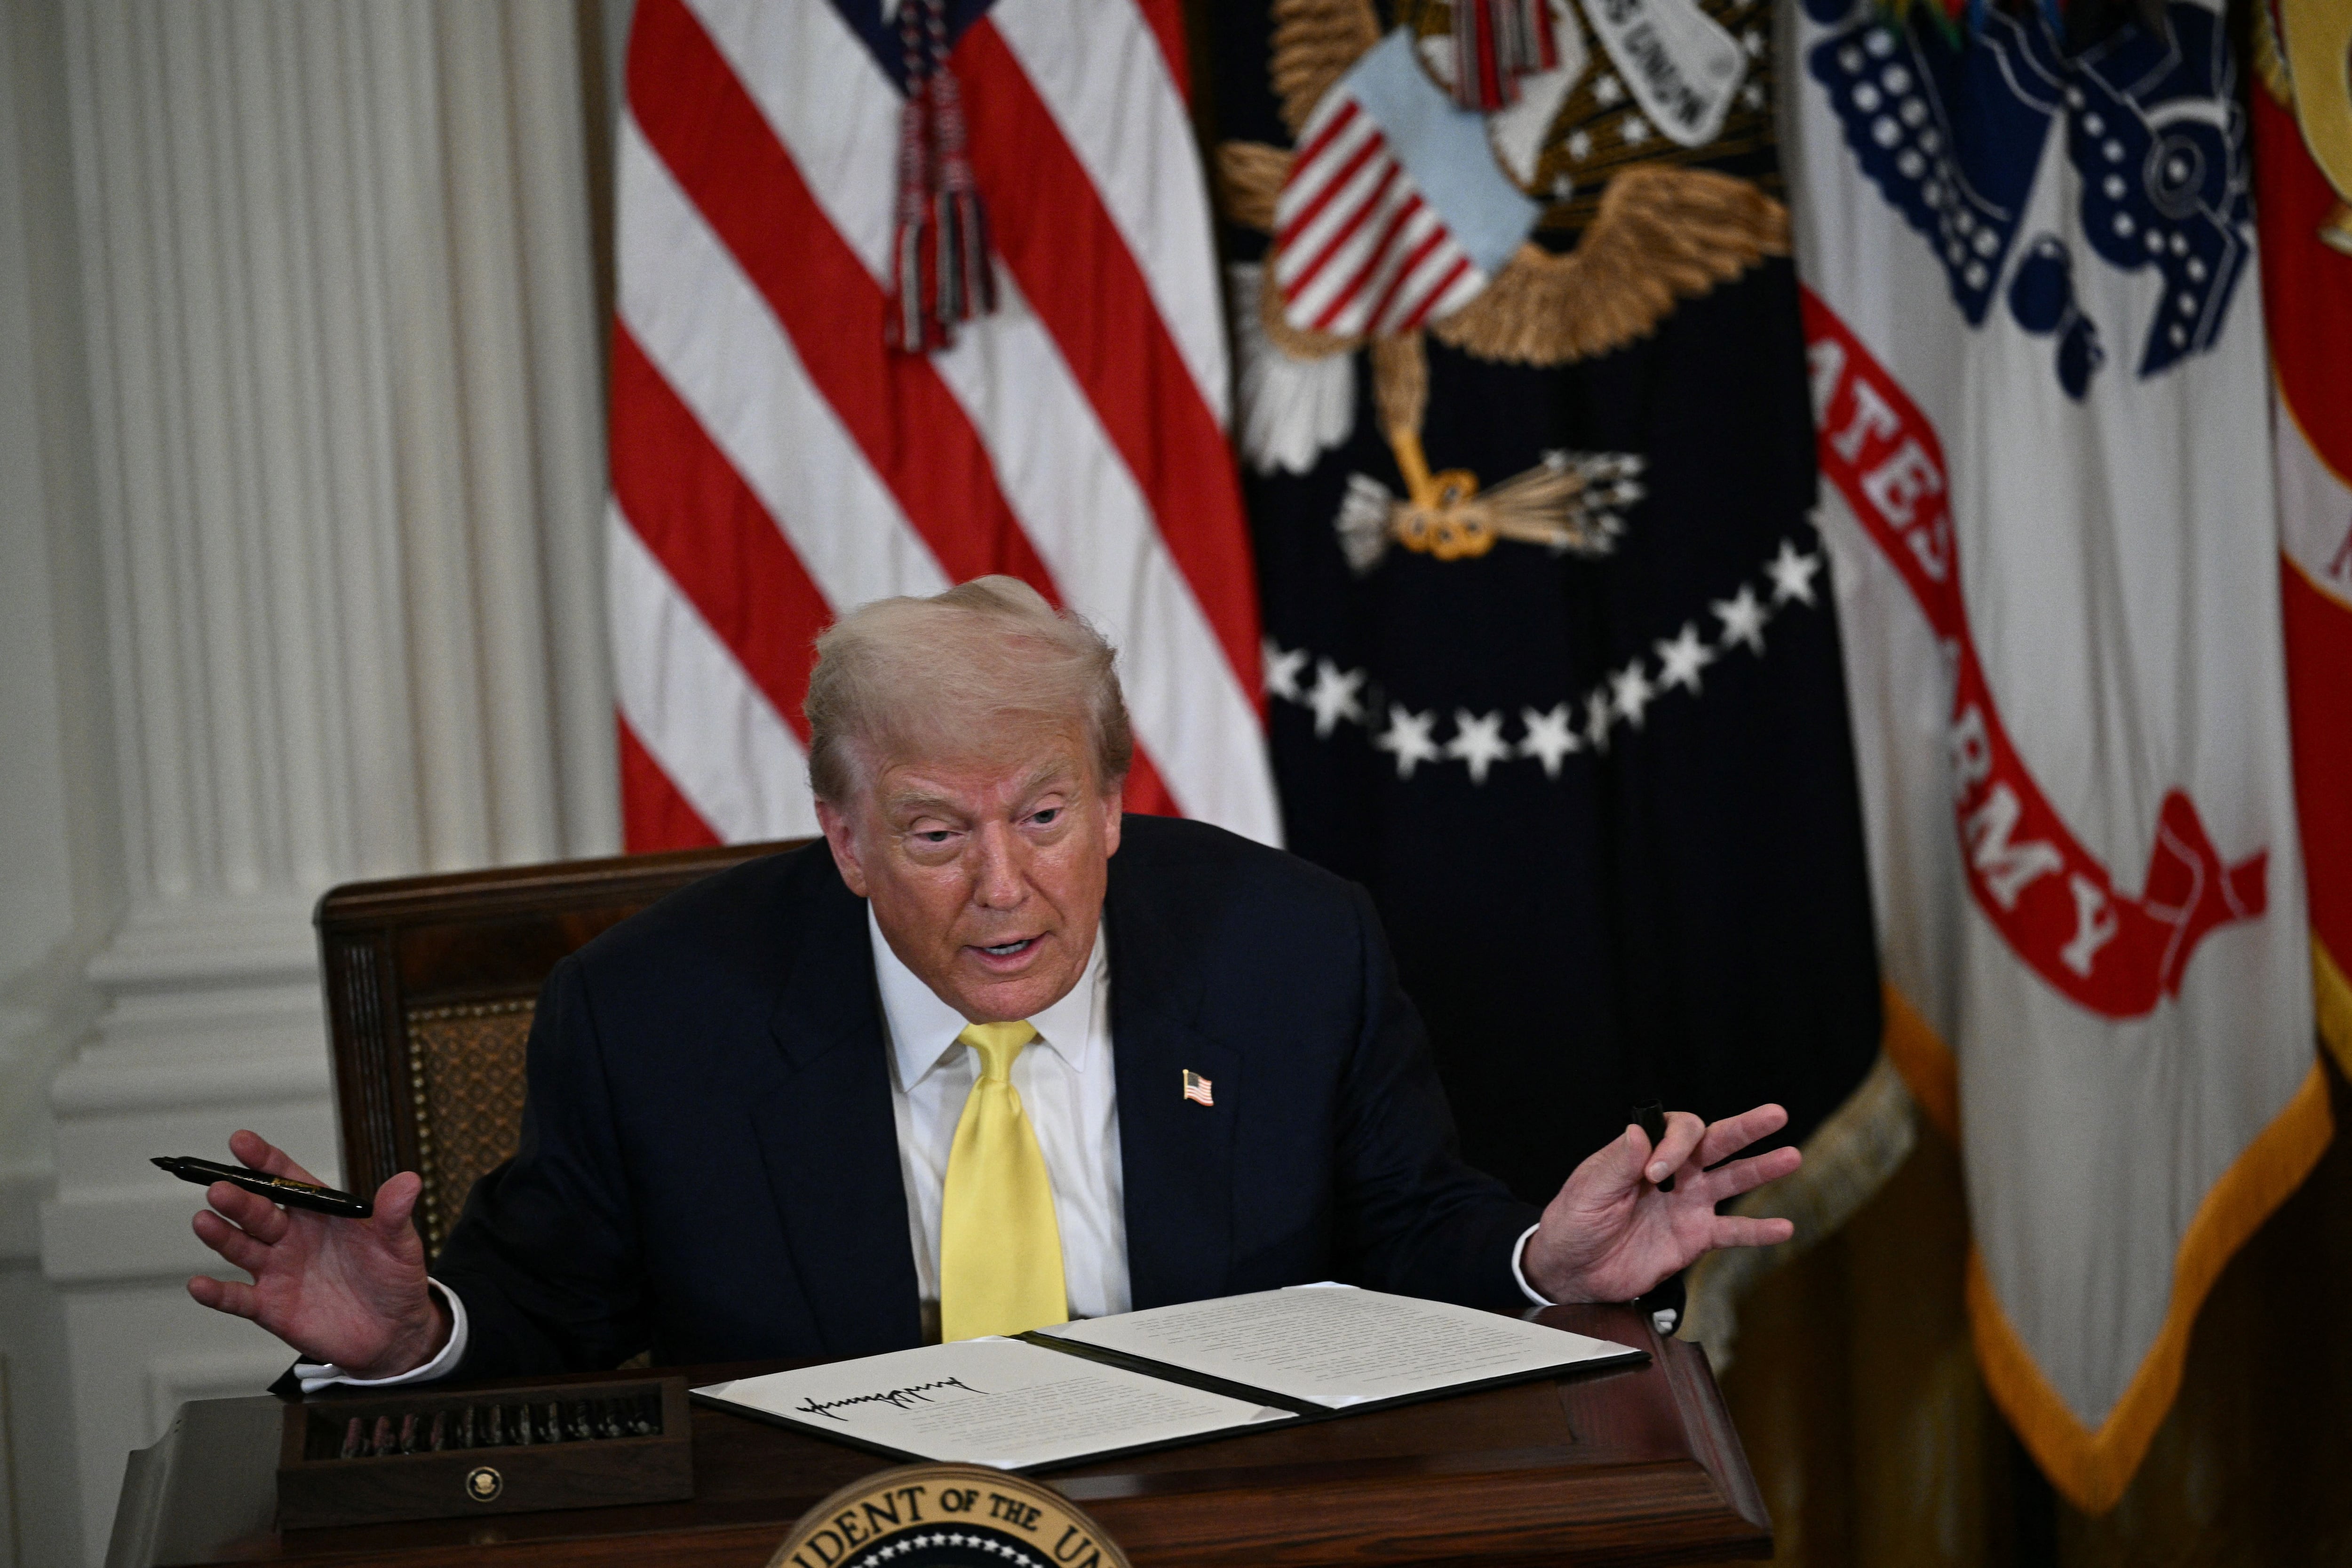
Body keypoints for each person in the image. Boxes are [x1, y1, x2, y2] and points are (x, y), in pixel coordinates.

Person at [185, 578, 1801, 1388]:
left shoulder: (1292, 949)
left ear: (1113, 805)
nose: (1006, 886)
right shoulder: (655, 1014)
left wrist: (1543, 1266)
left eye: (1043, 816)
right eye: (937, 833)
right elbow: (544, 1312)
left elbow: (1403, 1238)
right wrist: (409, 1338)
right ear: (845, 836)